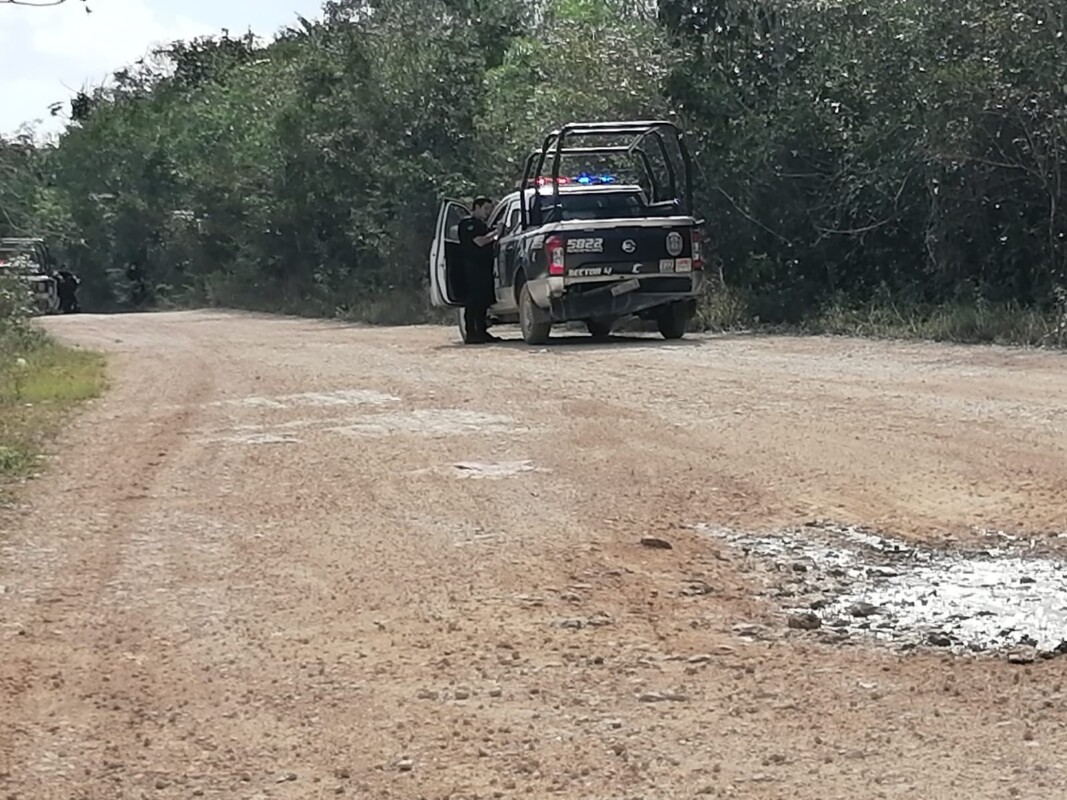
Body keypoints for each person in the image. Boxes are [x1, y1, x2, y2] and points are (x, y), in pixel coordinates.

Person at [457, 196, 501, 343]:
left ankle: (481, 332)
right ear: (476, 207)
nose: (488, 212)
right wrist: (496, 233)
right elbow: (480, 241)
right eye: (486, 209)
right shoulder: (467, 224)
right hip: (472, 268)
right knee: (473, 302)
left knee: (483, 301)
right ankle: (471, 334)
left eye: (490, 209)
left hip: (484, 268)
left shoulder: (482, 225)